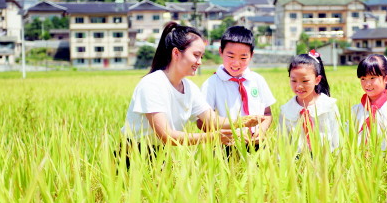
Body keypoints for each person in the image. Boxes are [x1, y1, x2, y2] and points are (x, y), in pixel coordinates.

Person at [121, 22, 260, 153]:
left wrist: (244, 121)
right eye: (196, 55)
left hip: (162, 153)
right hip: (134, 153)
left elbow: (212, 120)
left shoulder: (190, 88)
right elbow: (165, 134)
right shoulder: (152, 84)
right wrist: (213, 137)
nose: (199, 62)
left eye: (201, 57)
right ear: (176, 53)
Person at [200, 26, 275, 146]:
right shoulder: (211, 84)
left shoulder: (258, 80)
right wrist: (224, 135)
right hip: (225, 146)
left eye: (243, 58)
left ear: (251, 55)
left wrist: (261, 131)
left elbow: (267, 113)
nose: (236, 63)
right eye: (230, 56)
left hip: (257, 144)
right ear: (221, 52)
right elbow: (202, 122)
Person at [280, 50, 341, 151]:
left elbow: (337, 137)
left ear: (317, 80)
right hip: (297, 161)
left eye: (305, 81)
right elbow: (282, 143)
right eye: (293, 80)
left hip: (326, 159)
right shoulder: (286, 110)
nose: (299, 86)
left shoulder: (329, 105)